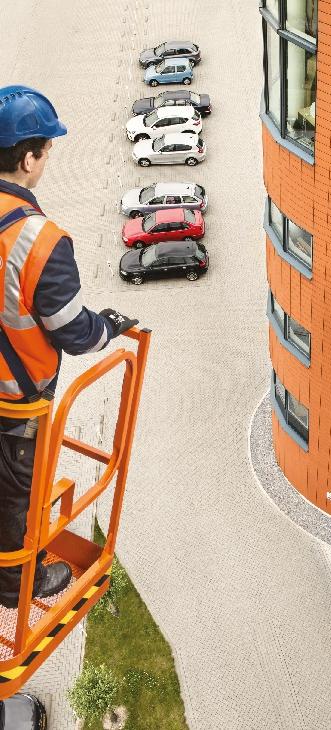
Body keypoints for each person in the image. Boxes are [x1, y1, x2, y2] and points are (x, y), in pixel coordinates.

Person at [0, 86, 138, 609]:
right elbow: (74, 333)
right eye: (47, 152)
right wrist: (108, 327)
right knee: (17, 493)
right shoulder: (41, 241)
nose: (47, 161)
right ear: (29, 157)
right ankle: (16, 583)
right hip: (14, 403)